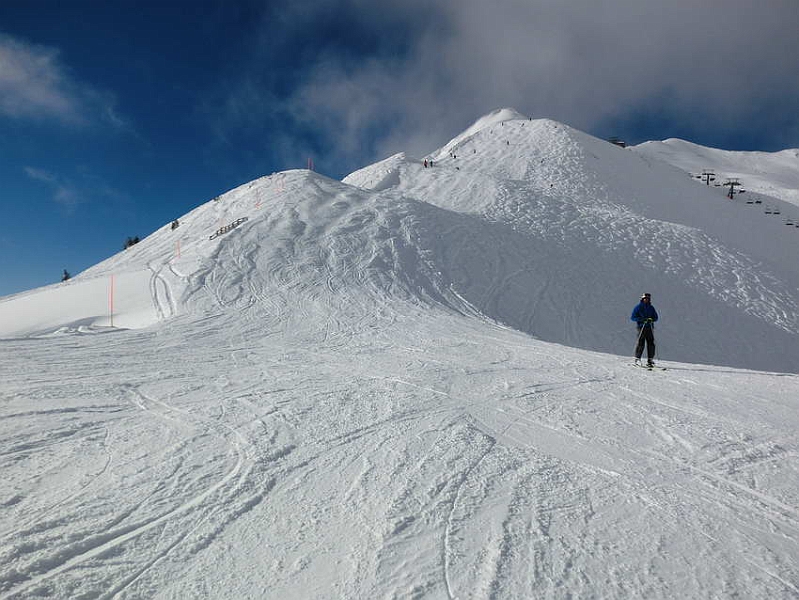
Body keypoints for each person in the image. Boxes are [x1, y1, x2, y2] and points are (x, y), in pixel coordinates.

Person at [631, 292, 658, 366]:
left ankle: (650, 360)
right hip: (641, 327)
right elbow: (633, 317)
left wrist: (651, 319)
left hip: (649, 327)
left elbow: (656, 317)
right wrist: (642, 319)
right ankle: (637, 359)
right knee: (641, 343)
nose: (646, 300)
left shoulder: (651, 307)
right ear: (642, 299)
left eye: (648, 299)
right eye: (645, 298)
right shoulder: (638, 307)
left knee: (651, 343)